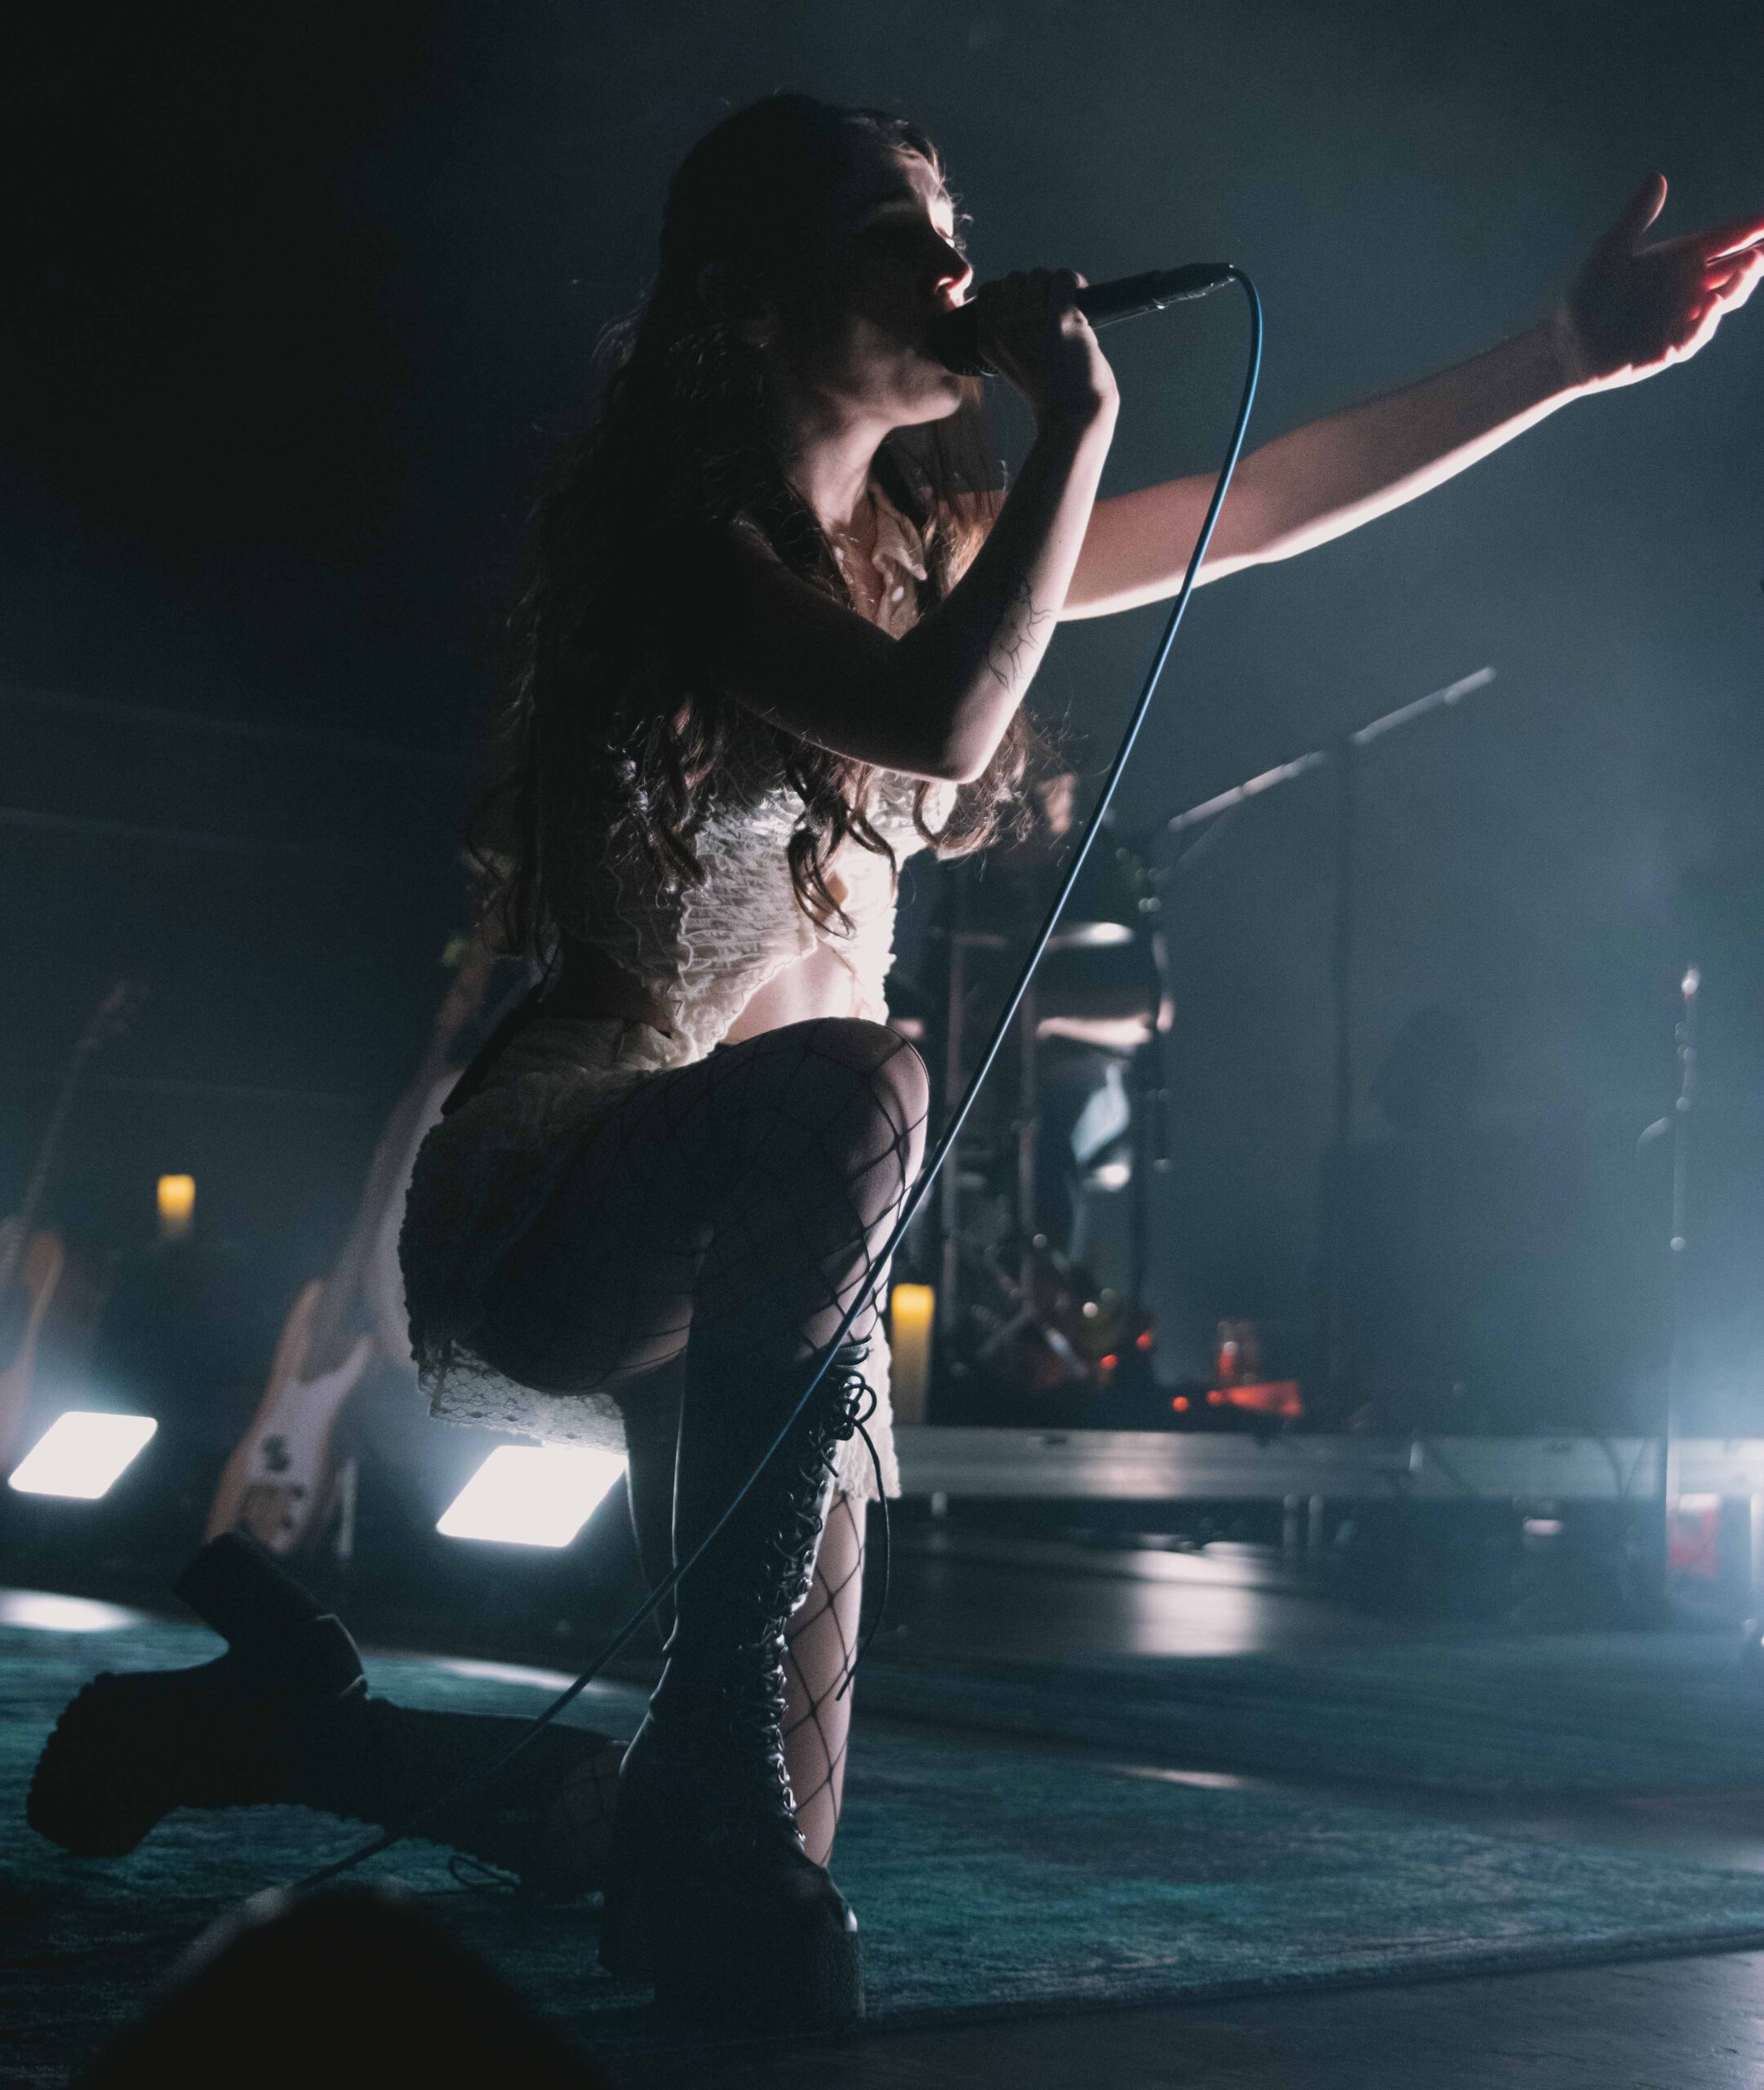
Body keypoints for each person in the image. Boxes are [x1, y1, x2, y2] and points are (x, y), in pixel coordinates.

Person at [29, 92, 1759, 2033]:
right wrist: (1075, 422)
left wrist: (1558, 356)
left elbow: (1259, 506)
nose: (954, 266)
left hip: (787, 1257)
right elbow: (936, 729)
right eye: (893, 230)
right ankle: (690, 1762)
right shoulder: (673, 541)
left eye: (955, 225)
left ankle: (298, 1731)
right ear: (750, 297)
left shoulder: (930, 550)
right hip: (578, 1177)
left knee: (751, 1865)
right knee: (871, 1084)